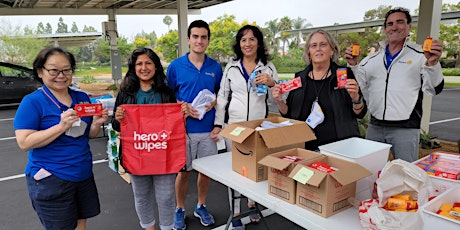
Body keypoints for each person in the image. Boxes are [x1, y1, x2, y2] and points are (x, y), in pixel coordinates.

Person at [13, 46, 108, 230]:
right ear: (40, 72)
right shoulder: (32, 102)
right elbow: (24, 142)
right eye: (54, 70)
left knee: (82, 223)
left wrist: (96, 124)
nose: (61, 75)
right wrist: (61, 126)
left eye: (66, 70)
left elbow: (87, 134)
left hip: (82, 174)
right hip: (52, 178)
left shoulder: (81, 97)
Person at [345, 7, 444, 162]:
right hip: (375, 126)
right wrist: (353, 65)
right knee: (370, 171)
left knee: (405, 175)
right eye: (390, 24)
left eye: (400, 22)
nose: (394, 27)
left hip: (406, 128)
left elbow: (433, 88)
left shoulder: (421, 55)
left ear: (409, 26)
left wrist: (432, 63)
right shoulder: (371, 59)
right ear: (385, 29)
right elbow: (360, 87)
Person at [211, 24, 278, 230]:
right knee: (236, 169)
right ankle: (237, 211)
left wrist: (272, 83)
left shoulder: (269, 67)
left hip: (259, 127)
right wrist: (218, 124)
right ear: (238, 44)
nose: (247, 44)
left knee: (256, 166)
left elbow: (278, 98)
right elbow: (222, 98)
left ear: (258, 42)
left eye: (251, 39)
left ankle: (252, 202)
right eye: (243, 40)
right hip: (236, 127)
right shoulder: (231, 67)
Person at [111, 47, 177, 230]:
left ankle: (167, 227)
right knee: (141, 195)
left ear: (156, 66)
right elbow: (116, 126)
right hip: (136, 155)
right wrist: (118, 118)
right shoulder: (125, 93)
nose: (144, 67)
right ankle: (149, 228)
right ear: (133, 68)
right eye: (139, 64)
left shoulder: (165, 91)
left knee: (166, 196)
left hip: (163, 153)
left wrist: (182, 113)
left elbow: (174, 124)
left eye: (148, 63)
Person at [166, 20, 223, 230]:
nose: (200, 41)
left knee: (205, 171)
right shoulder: (175, 66)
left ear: (208, 40)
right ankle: (179, 208)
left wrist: (215, 103)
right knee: (184, 172)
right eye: (195, 36)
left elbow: (221, 94)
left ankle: (201, 205)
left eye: (204, 37)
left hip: (208, 131)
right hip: (184, 132)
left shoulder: (215, 67)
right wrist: (180, 105)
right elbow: (168, 96)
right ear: (188, 39)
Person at [272, 29, 367, 151]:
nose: (318, 49)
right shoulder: (300, 78)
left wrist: (356, 98)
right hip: (304, 148)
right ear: (309, 52)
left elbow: (360, 113)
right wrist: (279, 101)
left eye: (323, 44)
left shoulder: (343, 75)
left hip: (339, 149)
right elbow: (288, 114)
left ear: (332, 50)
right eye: (313, 45)